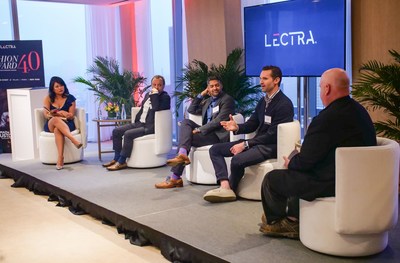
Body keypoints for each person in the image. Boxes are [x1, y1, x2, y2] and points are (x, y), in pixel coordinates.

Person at [259, 68, 377, 239]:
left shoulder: (326, 119)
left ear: (327, 89)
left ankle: (282, 223)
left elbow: (306, 161)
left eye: (321, 87)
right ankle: (293, 217)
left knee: (273, 178)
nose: (321, 91)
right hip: (359, 180)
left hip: (331, 182)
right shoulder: (359, 111)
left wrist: (291, 162)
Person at [203, 65, 294, 202]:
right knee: (215, 150)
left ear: (276, 80)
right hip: (257, 143)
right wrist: (237, 127)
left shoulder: (284, 104)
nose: (261, 82)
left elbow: (272, 135)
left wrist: (246, 144)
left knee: (237, 159)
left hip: (269, 146)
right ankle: (225, 185)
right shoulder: (263, 101)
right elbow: (252, 124)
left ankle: (229, 190)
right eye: (260, 78)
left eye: (265, 78)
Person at [155, 76, 235, 189]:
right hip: (207, 134)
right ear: (208, 88)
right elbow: (191, 109)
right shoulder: (207, 101)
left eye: (217, 85)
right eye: (211, 86)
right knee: (186, 122)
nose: (215, 88)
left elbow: (218, 121)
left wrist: (199, 129)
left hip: (217, 136)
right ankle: (182, 156)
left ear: (221, 86)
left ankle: (175, 177)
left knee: (186, 137)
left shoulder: (227, 100)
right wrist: (201, 95)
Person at [103, 75, 171, 171]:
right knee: (116, 131)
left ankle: (122, 161)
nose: (156, 87)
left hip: (150, 127)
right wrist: (135, 121)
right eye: (154, 85)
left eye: (159, 85)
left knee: (128, 134)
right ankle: (116, 158)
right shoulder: (148, 94)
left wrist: (155, 94)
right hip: (139, 123)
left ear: (163, 86)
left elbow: (155, 108)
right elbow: (143, 108)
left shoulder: (165, 97)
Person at [43, 76, 83, 170]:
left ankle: (60, 158)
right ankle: (73, 140)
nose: (60, 88)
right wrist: (53, 114)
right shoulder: (48, 98)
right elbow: (46, 115)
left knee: (58, 129)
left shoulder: (70, 98)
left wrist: (66, 114)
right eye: (57, 86)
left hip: (67, 123)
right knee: (55, 120)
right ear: (52, 88)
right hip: (51, 123)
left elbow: (72, 115)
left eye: (61, 85)